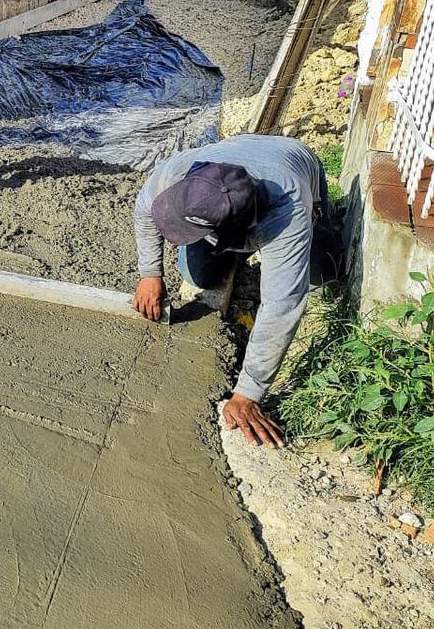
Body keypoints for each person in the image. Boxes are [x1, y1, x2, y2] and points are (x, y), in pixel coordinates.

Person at [131, 134, 338, 449]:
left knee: (321, 274)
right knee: (199, 275)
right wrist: (150, 274)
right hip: (240, 160)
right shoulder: (180, 170)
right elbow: (145, 207)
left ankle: (287, 238)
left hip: (293, 160)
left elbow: (282, 304)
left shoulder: (288, 208)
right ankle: (232, 244)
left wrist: (248, 393)